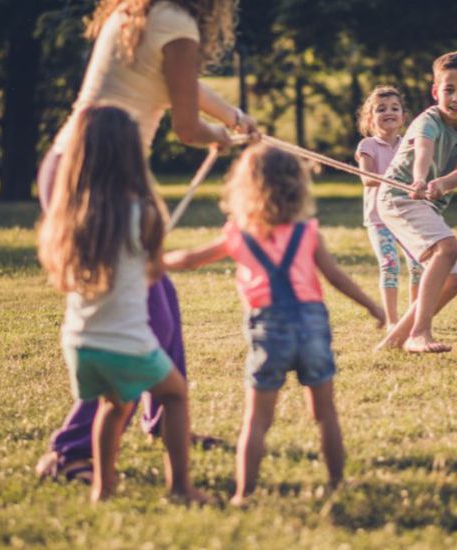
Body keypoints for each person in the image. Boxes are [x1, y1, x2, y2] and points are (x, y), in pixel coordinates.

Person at [35, 0, 259, 482]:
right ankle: (71, 450)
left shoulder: (138, 13)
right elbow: (185, 125)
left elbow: (178, 85)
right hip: (95, 174)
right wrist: (220, 133)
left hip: (72, 163)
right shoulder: (176, 23)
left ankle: (163, 418)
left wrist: (233, 117)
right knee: (149, 318)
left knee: (162, 302)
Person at [163, 144, 385, 505]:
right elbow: (335, 276)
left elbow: (190, 259)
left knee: (257, 419)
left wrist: (156, 261)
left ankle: (243, 494)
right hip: (312, 325)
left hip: (269, 329)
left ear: (245, 188)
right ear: (298, 186)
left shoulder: (238, 233)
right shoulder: (307, 232)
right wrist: (372, 306)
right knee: (325, 414)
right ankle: (336, 483)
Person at [38, 106, 206, 503]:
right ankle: (181, 488)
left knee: (113, 406)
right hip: (126, 344)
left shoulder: (69, 221)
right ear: (131, 155)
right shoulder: (143, 215)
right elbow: (154, 270)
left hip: (80, 346)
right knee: (175, 395)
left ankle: (104, 489)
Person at [376, 51, 457, 353]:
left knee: (453, 282)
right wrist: (421, 179)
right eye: (449, 90)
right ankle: (419, 333)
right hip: (399, 196)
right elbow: (423, 151)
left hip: (428, 203)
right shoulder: (429, 120)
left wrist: (443, 184)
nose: (456, 98)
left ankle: (393, 342)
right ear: (436, 91)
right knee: (448, 248)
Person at [355, 86, 423, 331]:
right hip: (379, 218)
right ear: (370, 119)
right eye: (381, 109)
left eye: (394, 108)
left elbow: (419, 173)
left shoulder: (410, 145)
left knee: (418, 265)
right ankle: (392, 321)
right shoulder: (367, 145)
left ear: (403, 117)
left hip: (405, 217)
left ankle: (414, 318)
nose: (388, 112)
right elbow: (367, 178)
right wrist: (394, 179)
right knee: (390, 265)